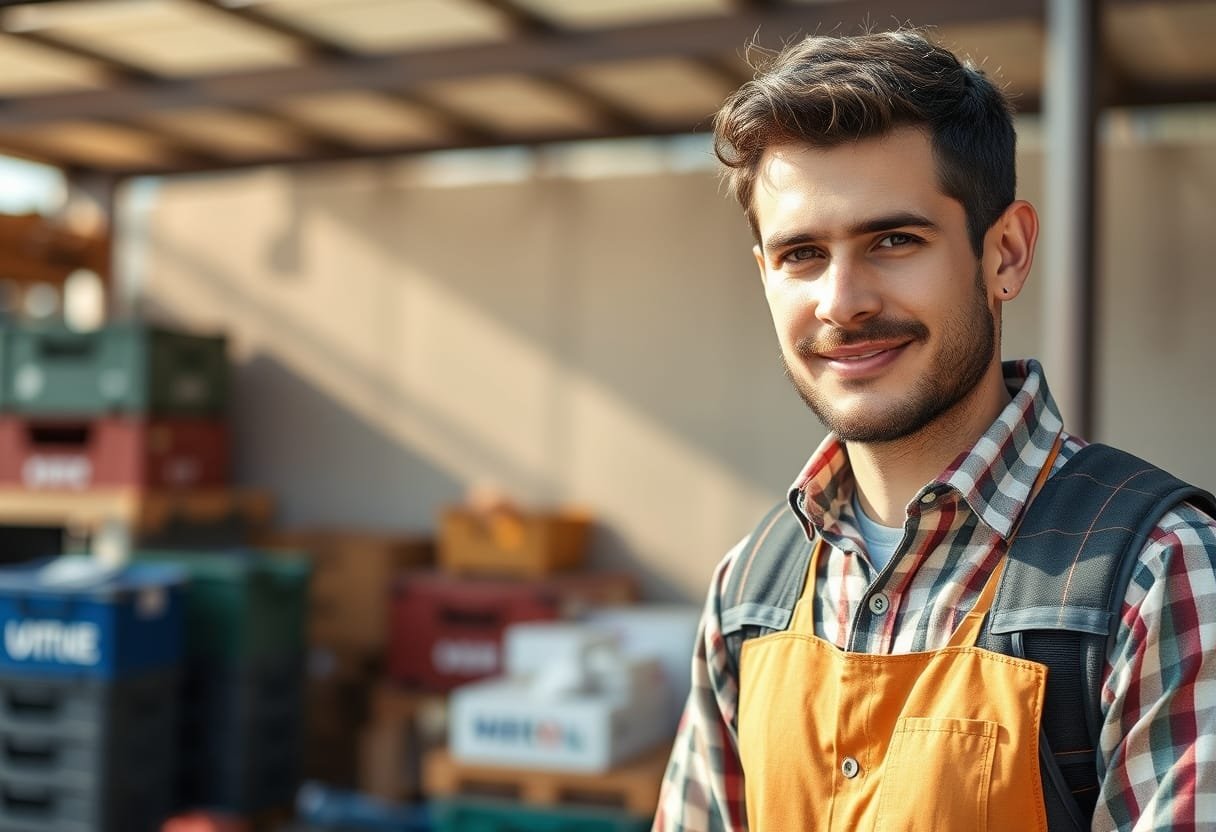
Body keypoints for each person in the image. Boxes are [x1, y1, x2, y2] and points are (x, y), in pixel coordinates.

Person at [652, 29, 1216, 832]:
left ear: (1006, 253)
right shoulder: (747, 591)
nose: (842, 302)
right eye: (802, 254)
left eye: (893, 240)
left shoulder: (1161, 574)